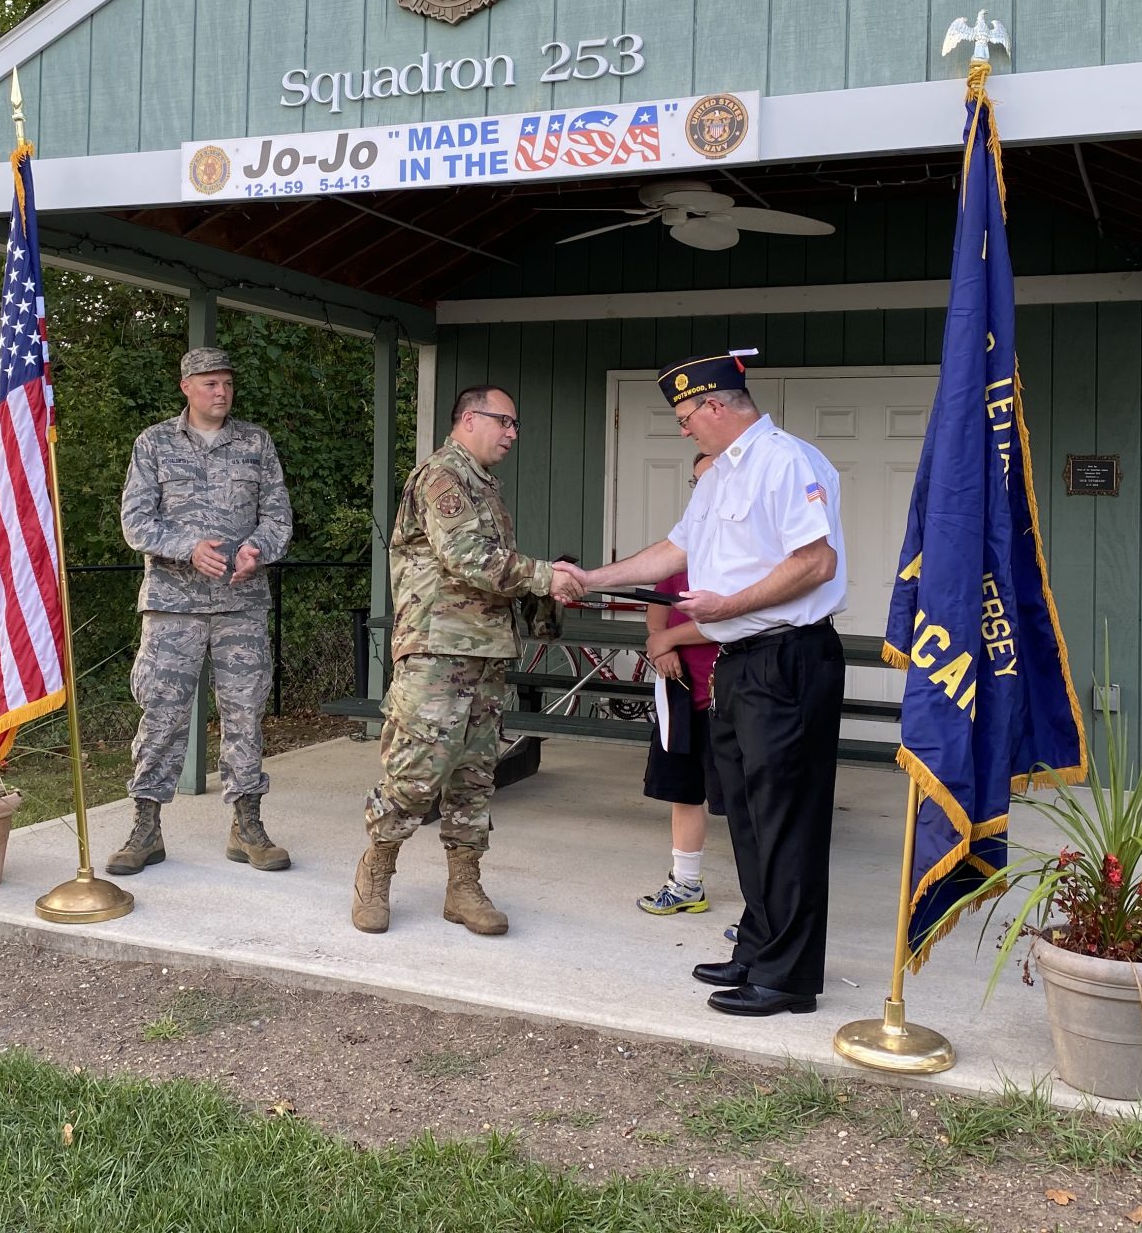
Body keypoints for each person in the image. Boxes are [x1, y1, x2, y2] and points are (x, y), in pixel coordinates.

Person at [573, 354, 847, 1017]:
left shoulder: (786, 462)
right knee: (750, 818)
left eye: (686, 417)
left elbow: (817, 560)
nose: (684, 430)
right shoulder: (720, 477)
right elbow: (672, 553)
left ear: (717, 408)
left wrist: (732, 605)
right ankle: (758, 948)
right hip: (741, 662)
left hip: (787, 658)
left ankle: (788, 979)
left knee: (787, 820)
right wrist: (590, 579)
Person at [350, 385, 582, 937]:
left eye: (514, 424)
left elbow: (493, 569)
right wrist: (547, 575)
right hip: (436, 651)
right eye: (506, 421)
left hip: (483, 654)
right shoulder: (441, 478)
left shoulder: (485, 488)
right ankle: (375, 870)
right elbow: (467, 557)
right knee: (415, 773)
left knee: (475, 776)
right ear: (471, 419)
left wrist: (541, 601)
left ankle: (463, 885)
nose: (512, 433)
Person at [109, 346, 293, 875]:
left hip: (242, 605)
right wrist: (189, 545)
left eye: (227, 383)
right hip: (174, 608)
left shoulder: (256, 443)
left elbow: (279, 516)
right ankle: (146, 828)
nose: (221, 391)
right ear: (186, 386)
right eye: (210, 383)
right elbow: (135, 522)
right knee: (161, 716)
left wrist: (259, 548)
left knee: (245, 715)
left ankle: (247, 825)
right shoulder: (155, 443)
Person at [637, 450, 724, 918]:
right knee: (684, 790)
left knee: (748, 803)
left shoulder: (746, 550)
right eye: (697, 483)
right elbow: (657, 615)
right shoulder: (680, 549)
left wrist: (668, 637)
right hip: (681, 692)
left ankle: (763, 913)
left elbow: (733, 620)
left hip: (732, 693)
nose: (703, 492)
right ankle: (686, 883)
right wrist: (663, 645)